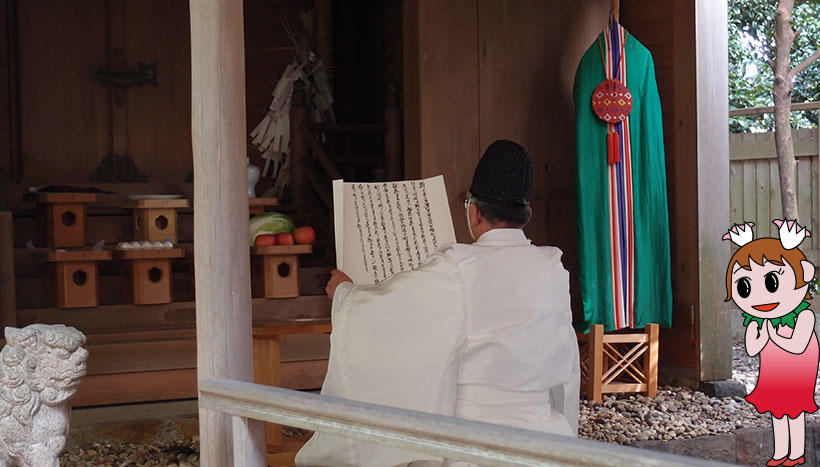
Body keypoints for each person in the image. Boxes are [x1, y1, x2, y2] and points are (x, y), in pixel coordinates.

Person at [295, 140, 580, 467]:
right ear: (525, 214)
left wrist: (346, 294)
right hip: (547, 442)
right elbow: (566, 364)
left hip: (475, 444)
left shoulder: (460, 268)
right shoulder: (553, 267)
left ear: (473, 213)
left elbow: (389, 317)